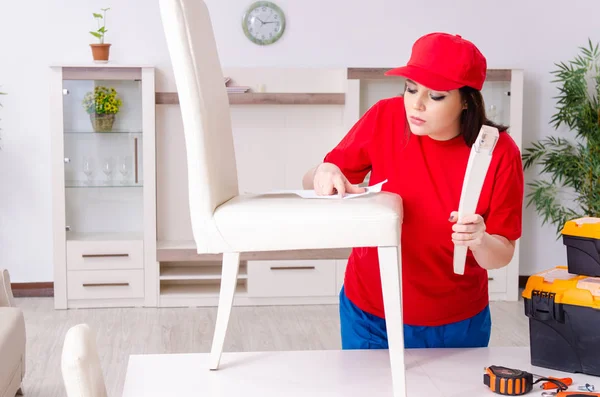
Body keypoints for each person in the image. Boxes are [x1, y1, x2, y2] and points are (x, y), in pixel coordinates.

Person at [302, 32, 524, 349]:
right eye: (411, 88)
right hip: (370, 313)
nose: (416, 104)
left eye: (435, 96)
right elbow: (312, 180)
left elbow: (501, 254)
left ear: (465, 99)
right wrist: (323, 171)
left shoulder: (500, 153)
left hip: (456, 321)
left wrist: (480, 239)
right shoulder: (385, 117)